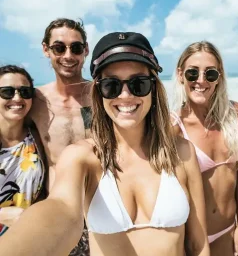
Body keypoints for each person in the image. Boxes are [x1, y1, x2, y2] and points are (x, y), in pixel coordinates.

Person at [0, 32, 210, 256]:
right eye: (111, 85)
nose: (126, 95)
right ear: (98, 92)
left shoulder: (182, 152)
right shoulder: (83, 157)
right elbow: (60, 209)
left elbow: (199, 245)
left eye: (139, 84)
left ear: (154, 89)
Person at [172, 41, 238, 256]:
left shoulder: (235, 114)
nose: (201, 81)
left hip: (229, 231)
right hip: (193, 241)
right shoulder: (174, 127)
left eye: (210, 74)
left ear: (220, 76)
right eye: (192, 73)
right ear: (180, 75)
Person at [29, 18, 91, 255]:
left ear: (85, 50)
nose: (68, 55)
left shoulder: (102, 96)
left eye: (76, 48)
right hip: (57, 213)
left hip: (100, 211)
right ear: (46, 49)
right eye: (59, 47)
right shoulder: (35, 101)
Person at [0, 65, 45, 236]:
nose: (17, 98)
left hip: (27, 241)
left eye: (25, 92)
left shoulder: (38, 139)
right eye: (7, 92)